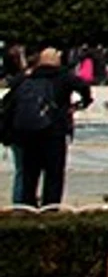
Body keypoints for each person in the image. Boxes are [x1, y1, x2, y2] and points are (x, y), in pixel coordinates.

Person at [5, 47, 92, 207]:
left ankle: (27, 206)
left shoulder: (28, 77)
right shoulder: (64, 77)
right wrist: (81, 104)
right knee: (54, 174)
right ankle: (50, 207)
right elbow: (84, 87)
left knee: (29, 174)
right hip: (54, 131)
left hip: (28, 132)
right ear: (57, 61)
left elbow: (11, 92)